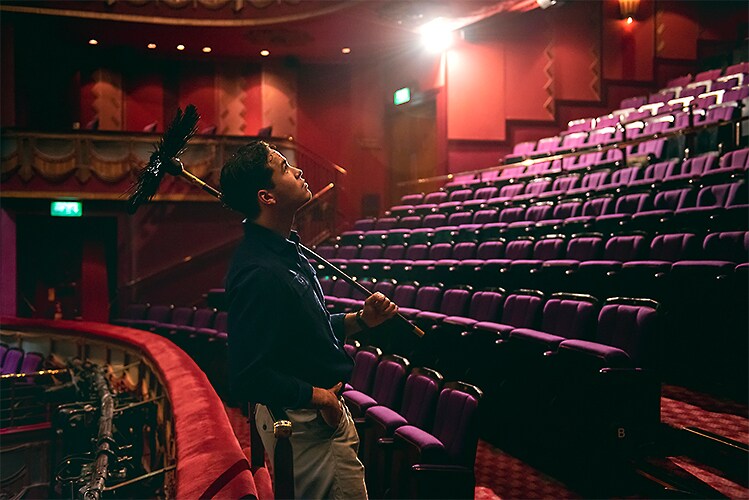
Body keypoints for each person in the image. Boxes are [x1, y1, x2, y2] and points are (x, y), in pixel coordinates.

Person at [220, 141, 398, 499]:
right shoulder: (260, 272)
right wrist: (320, 397)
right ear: (266, 197)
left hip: (313, 421)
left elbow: (303, 334)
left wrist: (360, 320)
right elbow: (247, 374)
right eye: (285, 167)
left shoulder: (287, 252)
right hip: (306, 425)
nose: (299, 171)